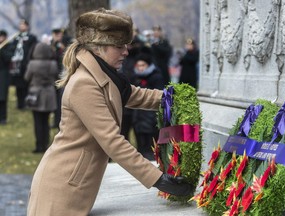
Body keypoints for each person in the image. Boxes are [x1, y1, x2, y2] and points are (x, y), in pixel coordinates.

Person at [27, 8, 193, 216]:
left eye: (126, 45)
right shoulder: (84, 84)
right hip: (61, 188)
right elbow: (112, 141)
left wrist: (175, 98)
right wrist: (158, 179)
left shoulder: (105, 76)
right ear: (98, 48)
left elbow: (137, 95)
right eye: (119, 46)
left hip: (73, 185)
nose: (126, 51)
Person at [24, 42, 58, 153]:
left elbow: (26, 77)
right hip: (49, 93)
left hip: (36, 93)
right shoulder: (53, 64)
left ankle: (39, 145)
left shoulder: (32, 64)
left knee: (37, 121)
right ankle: (45, 145)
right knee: (46, 121)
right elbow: (56, 77)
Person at [132, 52, 164, 160]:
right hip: (138, 118)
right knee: (141, 148)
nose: (140, 68)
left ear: (148, 65)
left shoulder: (156, 77)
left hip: (151, 118)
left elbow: (159, 98)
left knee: (151, 149)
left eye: (143, 65)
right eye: (138, 66)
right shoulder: (135, 78)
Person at [10, 19, 37, 110]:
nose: (21, 26)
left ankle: (26, 103)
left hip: (26, 65)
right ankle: (20, 103)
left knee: (26, 85)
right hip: (16, 66)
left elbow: (33, 49)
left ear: (27, 26)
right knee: (18, 86)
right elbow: (12, 48)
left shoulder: (31, 37)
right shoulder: (16, 37)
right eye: (20, 24)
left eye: (23, 24)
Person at [50, 28, 72, 129]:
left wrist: (62, 46)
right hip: (53, 75)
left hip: (63, 75)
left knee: (61, 102)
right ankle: (55, 121)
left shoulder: (67, 42)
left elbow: (66, 57)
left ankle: (61, 123)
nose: (57, 36)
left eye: (59, 34)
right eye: (55, 34)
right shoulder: (52, 44)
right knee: (55, 102)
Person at [0, 30, 14, 125]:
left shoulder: (9, 46)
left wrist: (2, 50)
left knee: (2, 98)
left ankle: (3, 118)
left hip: (3, 75)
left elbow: (9, 58)